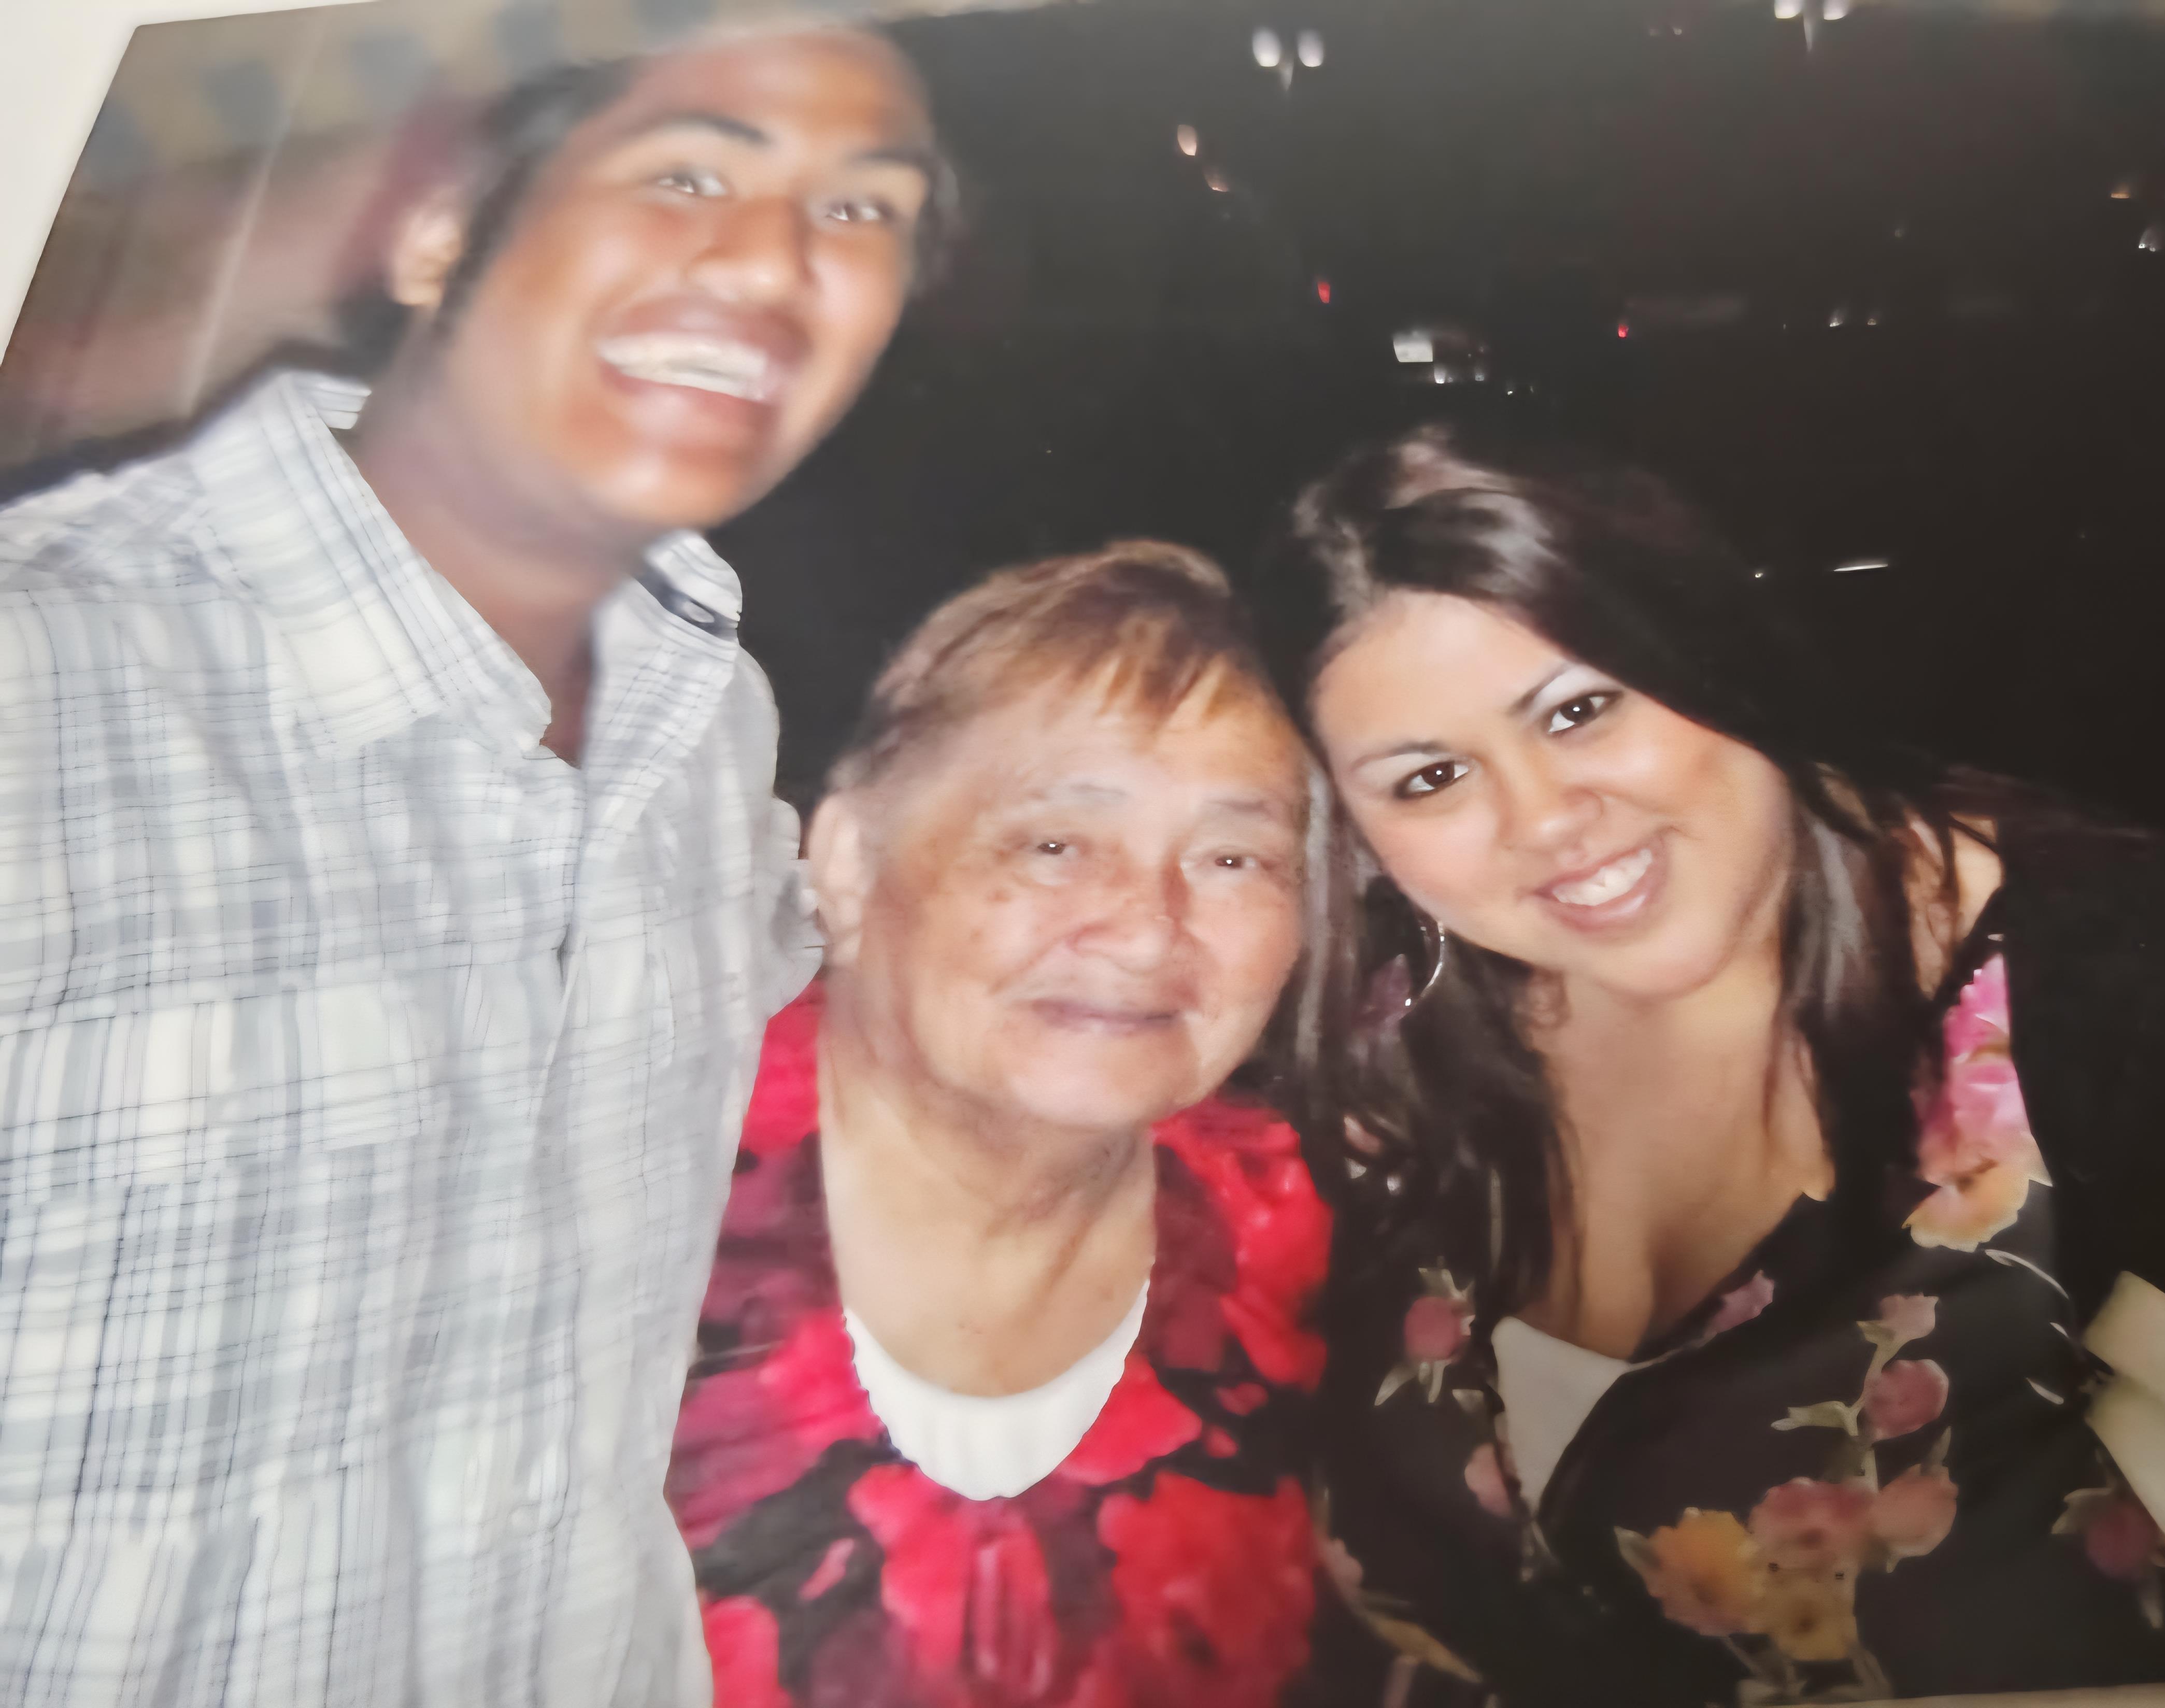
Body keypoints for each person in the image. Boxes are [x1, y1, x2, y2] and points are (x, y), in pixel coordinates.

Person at [0, 23, 949, 1706]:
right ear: (440, 222)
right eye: (687, 172)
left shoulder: (706, 728)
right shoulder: (48, 684)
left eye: (863, 214)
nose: (776, 264)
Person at [1254, 425, 2165, 1706]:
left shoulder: (2139, 1005)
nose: (1541, 819)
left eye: (1579, 709)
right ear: (1357, 835)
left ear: (1704, 651)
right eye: (1429, 778)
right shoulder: (1394, 1046)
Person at [666, 543, 1331, 1708]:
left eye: (1233, 857)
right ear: (849, 863)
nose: (1143, 930)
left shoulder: (1304, 1233)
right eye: (1054, 843)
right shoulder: (627, 1195)